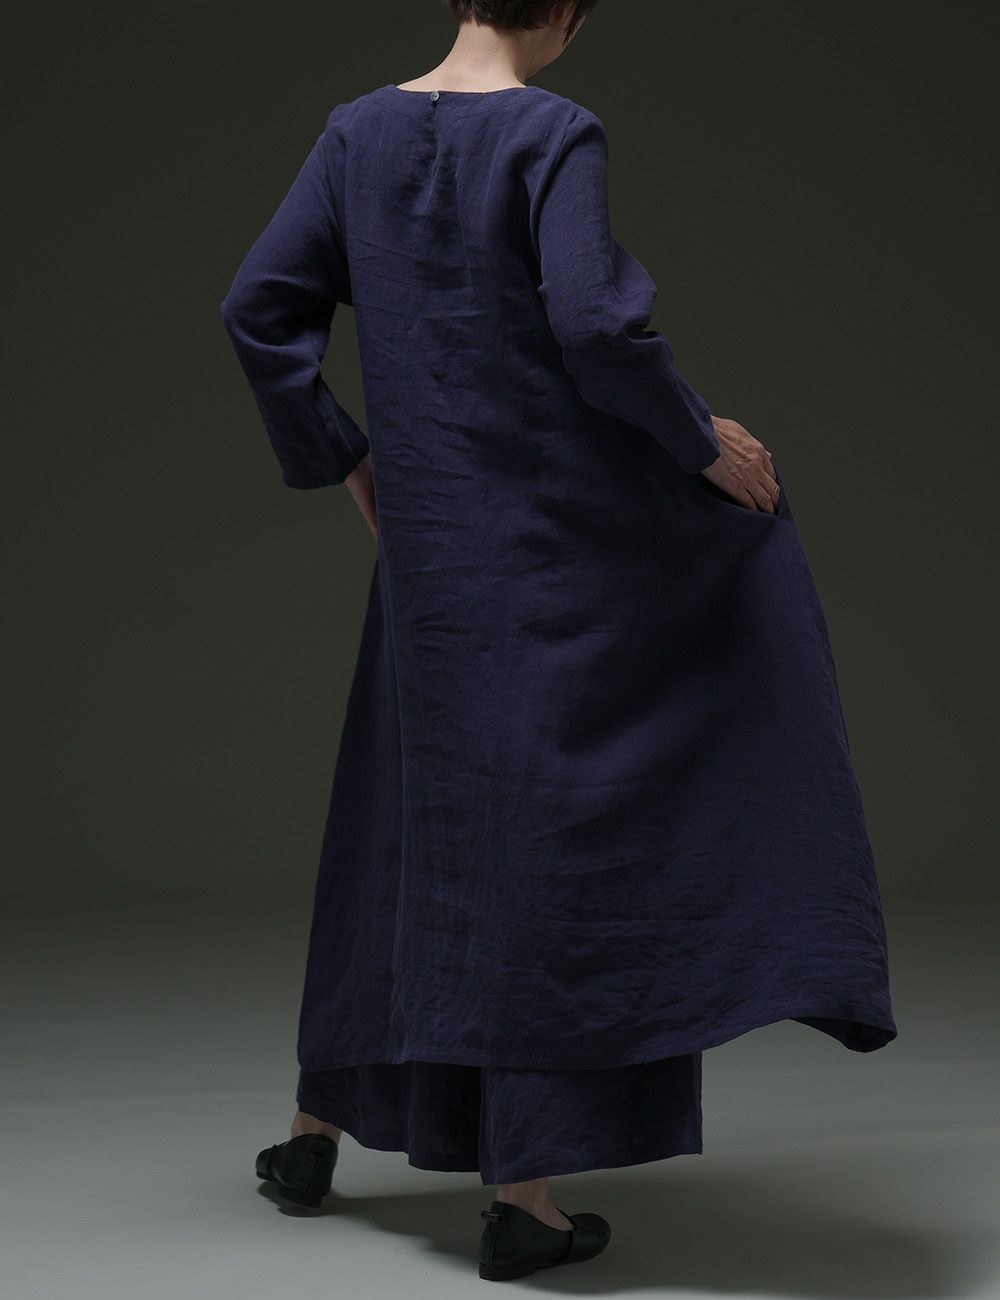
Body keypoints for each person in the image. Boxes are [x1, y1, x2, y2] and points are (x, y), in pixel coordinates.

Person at [220, 0, 897, 1282]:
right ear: (572, 9)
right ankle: (520, 1200)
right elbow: (592, 327)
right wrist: (701, 443)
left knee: (404, 821)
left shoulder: (356, 134)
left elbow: (257, 307)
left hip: (429, 560)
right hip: (549, 547)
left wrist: (348, 458)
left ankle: (312, 1137)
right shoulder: (551, 133)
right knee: (549, 829)